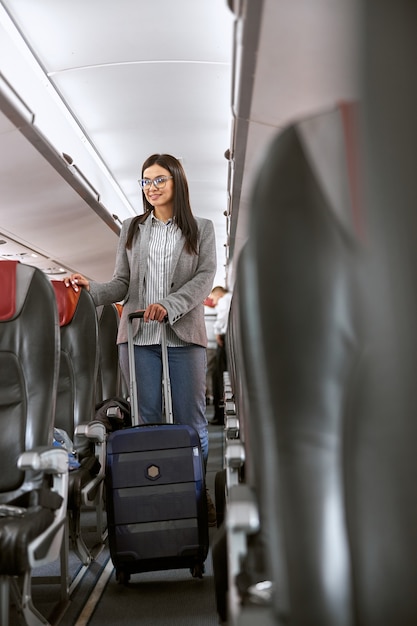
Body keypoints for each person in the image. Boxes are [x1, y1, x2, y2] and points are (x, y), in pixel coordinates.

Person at [64, 153, 217, 524]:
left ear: (177, 182)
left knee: (190, 419)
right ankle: (157, 492)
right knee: (145, 420)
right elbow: (122, 283)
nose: (151, 188)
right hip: (136, 336)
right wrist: (90, 290)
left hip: (184, 334)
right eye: (146, 181)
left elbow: (204, 279)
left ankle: (198, 492)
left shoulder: (201, 228)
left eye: (159, 180)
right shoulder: (132, 228)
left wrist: (169, 305)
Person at [209, 285, 232, 425]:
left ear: (218, 295)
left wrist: (217, 331)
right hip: (227, 339)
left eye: (214, 299)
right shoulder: (230, 299)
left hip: (223, 339)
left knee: (218, 375)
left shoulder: (225, 300)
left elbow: (222, 317)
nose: (214, 303)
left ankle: (219, 415)